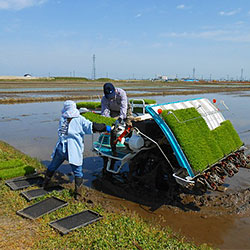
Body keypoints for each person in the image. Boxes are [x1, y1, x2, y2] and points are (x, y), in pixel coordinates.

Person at [43, 100, 110, 200]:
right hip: (73, 149)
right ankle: (78, 194)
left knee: (53, 166)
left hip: (61, 148)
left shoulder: (63, 118)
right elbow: (92, 126)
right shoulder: (79, 119)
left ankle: (45, 183)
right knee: (78, 172)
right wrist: (106, 127)